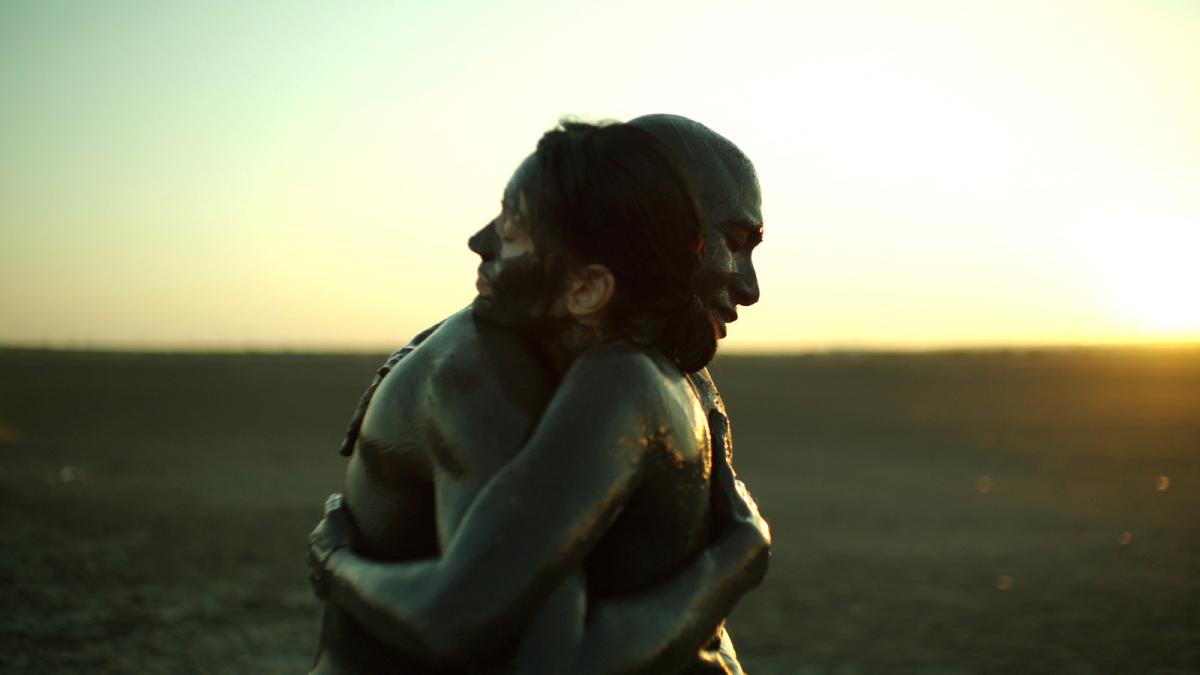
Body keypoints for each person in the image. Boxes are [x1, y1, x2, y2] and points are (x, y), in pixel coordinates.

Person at [310, 117, 768, 674]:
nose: (750, 287)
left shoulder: (657, 361)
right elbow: (489, 632)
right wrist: (733, 563)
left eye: (514, 224)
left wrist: (733, 562)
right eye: (736, 242)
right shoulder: (489, 381)